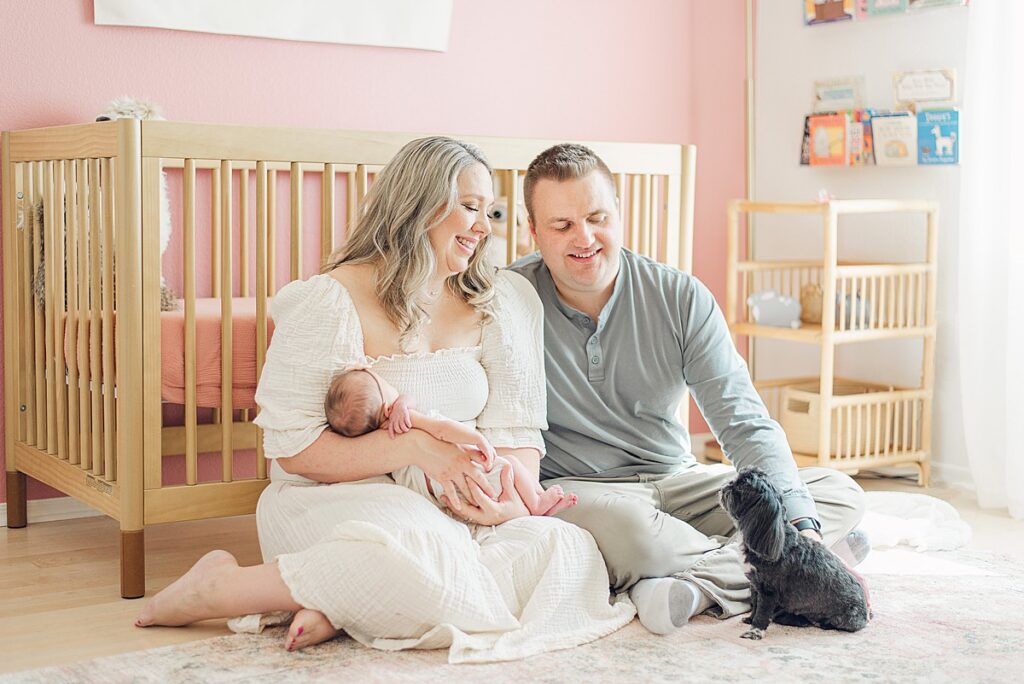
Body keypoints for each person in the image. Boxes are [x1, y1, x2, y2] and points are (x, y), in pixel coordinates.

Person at [134, 137, 633, 661]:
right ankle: (219, 587)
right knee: (407, 557)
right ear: (417, 204)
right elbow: (295, 451)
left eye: (490, 211)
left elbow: (516, 432)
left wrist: (504, 501)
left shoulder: (505, 302)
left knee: (566, 552)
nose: (485, 227)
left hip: (454, 508)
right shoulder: (331, 299)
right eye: (469, 207)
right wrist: (418, 449)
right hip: (339, 498)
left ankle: (332, 600)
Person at [509, 143, 867, 636]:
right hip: (587, 492)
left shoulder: (680, 296)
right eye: (562, 224)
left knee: (834, 493)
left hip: (678, 481)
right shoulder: (507, 302)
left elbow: (742, 421)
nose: (585, 237)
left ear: (619, 214)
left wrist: (803, 528)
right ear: (533, 231)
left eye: (597, 217)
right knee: (638, 537)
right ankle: (781, 572)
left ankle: (698, 588)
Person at [323, 366, 577, 515]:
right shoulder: (405, 420)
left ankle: (541, 504)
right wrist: (476, 438)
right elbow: (443, 430)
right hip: (463, 473)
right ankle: (537, 502)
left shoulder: (380, 442)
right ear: (387, 405)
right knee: (510, 465)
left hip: (442, 494)